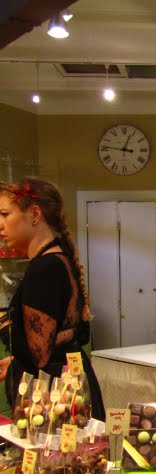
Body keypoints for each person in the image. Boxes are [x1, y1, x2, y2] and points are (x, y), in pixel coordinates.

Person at [0, 177, 105, 418]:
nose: (0, 224)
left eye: (5, 214)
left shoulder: (45, 268)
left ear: (35, 215)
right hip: (69, 382)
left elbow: (39, 356)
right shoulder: (56, 258)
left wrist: (3, 320)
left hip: (57, 396)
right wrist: (16, 359)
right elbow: (67, 334)